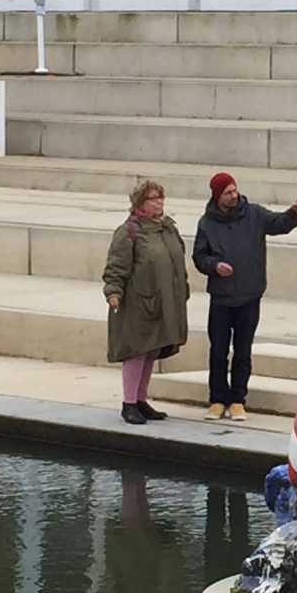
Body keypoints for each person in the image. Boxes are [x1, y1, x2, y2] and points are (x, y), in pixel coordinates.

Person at [192, 172, 297, 421]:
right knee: (218, 350)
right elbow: (199, 256)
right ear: (217, 196)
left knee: (243, 350)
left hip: (249, 295)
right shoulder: (206, 223)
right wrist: (214, 265)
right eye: (227, 193)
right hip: (221, 297)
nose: (233, 195)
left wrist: (294, 213)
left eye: (234, 190)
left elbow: (278, 224)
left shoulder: (253, 213)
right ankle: (217, 399)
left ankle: (238, 400)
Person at [103, 180, 190, 425]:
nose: (159, 202)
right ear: (141, 203)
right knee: (136, 350)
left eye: (161, 197)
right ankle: (129, 403)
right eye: (153, 198)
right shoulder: (129, 231)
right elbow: (116, 267)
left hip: (164, 302)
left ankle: (141, 400)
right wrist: (113, 292)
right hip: (139, 303)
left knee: (152, 349)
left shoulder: (168, 229)